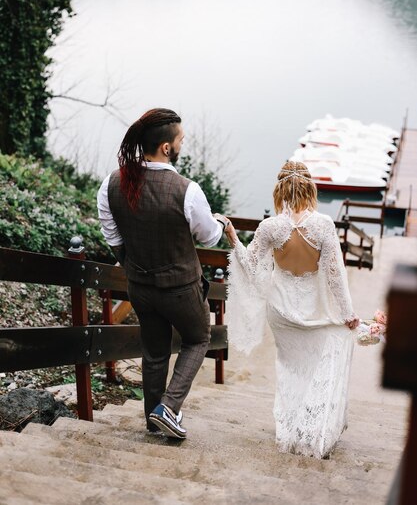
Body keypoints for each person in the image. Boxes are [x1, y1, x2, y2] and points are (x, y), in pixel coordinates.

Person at [97, 108, 228, 439]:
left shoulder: (111, 183)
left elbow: (113, 238)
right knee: (199, 338)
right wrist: (219, 222)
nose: (183, 143)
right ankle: (168, 409)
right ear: (167, 147)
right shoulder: (187, 190)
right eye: (181, 139)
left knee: (154, 352)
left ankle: (153, 420)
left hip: (140, 287)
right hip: (182, 289)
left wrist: (134, 267)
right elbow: (209, 237)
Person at [224, 161, 359, 459]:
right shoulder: (323, 225)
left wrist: (233, 236)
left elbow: (249, 265)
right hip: (315, 313)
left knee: (289, 371)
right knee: (316, 369)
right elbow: (336, 276)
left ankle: (289, 430)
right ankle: (311, 431)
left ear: (279, 190)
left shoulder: (270, 227)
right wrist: (348, 314)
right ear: (310, 188)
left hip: (281, 312)